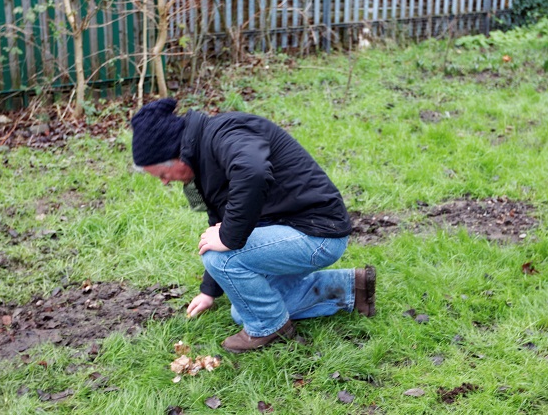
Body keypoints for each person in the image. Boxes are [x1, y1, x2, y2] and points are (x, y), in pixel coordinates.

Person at [131, 98, 375, 353]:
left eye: (163, 174)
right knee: (243, 310)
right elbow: (221, 221)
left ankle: (270, 328)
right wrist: (208, 291)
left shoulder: (225, 134)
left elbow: (253, 172)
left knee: (221, 258)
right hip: (294, 230)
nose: (165, 182)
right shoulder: (203, 154)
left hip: (318, 233)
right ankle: (352, 288)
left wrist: (228, 237)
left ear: (177, 155)